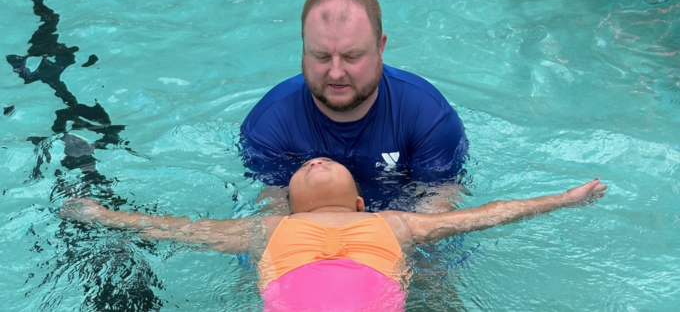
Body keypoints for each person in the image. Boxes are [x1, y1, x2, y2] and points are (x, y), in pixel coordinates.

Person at [61, 157, 607, 312]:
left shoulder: (394, 222)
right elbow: (178, 230)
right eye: (306, 168)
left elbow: (484, 214)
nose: (317, 160)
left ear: (359, 202)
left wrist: (562, 200)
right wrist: (108, 217)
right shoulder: (267, 227)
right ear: (291, 200)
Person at [239, 0, 468, 212]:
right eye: (321, 56)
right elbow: (275, 223)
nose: (336, 72)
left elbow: (436, 218)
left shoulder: (427, 117)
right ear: (304, 46)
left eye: (352, 56)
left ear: (380, 46)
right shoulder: (270, 126)